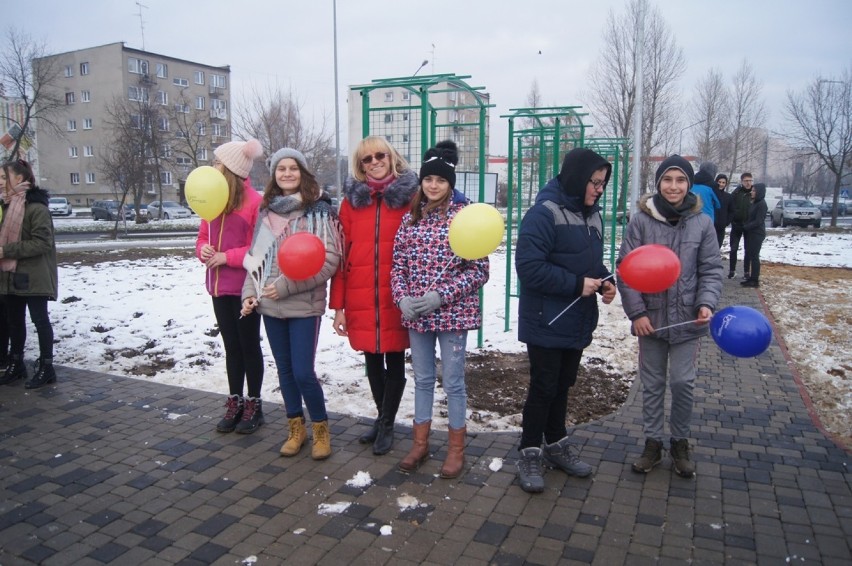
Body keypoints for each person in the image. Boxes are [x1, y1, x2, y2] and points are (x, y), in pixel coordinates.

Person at [514, 147, 617, 494]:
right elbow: (528, 268)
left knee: (563, 383)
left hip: (576, 318)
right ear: (577, 179)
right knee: (543, 386)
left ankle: (556, 443)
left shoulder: (594, 215)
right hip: (546, 319)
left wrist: (605, 280)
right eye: (595, 182)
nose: (599, 189)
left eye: (603, 184)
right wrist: (577, 284)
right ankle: (529, 451)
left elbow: (590, 263)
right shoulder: (543, 214)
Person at [616, 155, 723, 478]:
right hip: (650, 321)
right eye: (667, 180)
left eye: (680, 180)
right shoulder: (641, 222)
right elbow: (626, 270)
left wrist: (706, 303)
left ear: (688, 184)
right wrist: (637, 313)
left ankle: (679, 442)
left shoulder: (702, 222)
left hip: (688, 321)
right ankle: (652, 443)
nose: (673, 186)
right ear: (658, 183)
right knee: (652, 384)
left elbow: (711, 269)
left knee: (682, 382)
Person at [391, 140, 489, 479]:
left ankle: (456, 448)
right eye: (428, 179)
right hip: (416, 316)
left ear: (451, 185)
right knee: (422, 379)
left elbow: (479, 270)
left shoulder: (464, 219)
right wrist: (401, 298)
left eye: (441, 181)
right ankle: (420, 443)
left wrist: (440, 296)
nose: (433, 185)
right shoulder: (410, 221)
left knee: (454, 382)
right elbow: (397, 266)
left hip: (452, 316)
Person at [240, 148, 342, 460]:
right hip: (270, 306)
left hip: (303, 305)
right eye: (280, 169)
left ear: (303, 172)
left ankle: (320, 429)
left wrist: (282, 287)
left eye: (293, 168)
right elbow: (256, 260)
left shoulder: (321, 211)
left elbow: (329, 261)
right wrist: (249, 293)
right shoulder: (268, 211)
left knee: (302, 372)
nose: (286, 173)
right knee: (284, 370)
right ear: (273, 175)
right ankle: (295, 429)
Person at [329, 137, 419, 456]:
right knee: (371, 359)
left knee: (394, 359)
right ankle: (383, 419)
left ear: (391, 157)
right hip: (360, 293)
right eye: (367, 159)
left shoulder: (412, 197)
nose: (375, 161)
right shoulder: (351, 203)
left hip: (396, 294)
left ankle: (387, 424)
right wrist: (338, 306)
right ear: (360, 165)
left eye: (380, 155)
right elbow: (342, 255)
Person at [196, 138, 265, 434]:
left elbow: (259, 250)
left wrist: (227, 256)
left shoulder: (255, 202)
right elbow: (201, 237)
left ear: (231, 169)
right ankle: (235, 400)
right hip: (217, 288)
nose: (213, 167)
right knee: (231, 347)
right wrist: (204, 251)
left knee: (249, 346)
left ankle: (254, 404)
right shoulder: (212, 197)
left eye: (217, 163)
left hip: (246, 290)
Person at [0, 159, 58, 389]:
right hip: (11, 275)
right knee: (14, 323)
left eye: (5, 177)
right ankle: (17, 364)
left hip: (34, 277)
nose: (1, 182)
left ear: (21, 179)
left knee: (40, 321)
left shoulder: (36, 208)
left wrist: (6, 250)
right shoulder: (6, 207)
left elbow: (43, 243)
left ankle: (46, 367)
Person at [741, 182, 767, 288]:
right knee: (750, 254)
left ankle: (755, 279)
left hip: (757, 234)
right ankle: (751, 278)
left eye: (754, 190)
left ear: (759, 192)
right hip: (751, 233)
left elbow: (759, 221)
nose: (752, 192)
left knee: (754, 256)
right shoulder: (755, 202)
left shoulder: (761, 204)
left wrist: (746, 226)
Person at [728, 172, 754, 279]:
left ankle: (746, 272)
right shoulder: (736, 192)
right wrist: (732, 219)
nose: (748, 183)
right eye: (746, 181)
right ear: (742, 181)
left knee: (748, 250)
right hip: (736, 225)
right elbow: (731, 207)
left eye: (750, 181)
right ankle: (732, 270)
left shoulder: (754, 193)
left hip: (749, 225)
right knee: (733, 248)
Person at [712, 173, 733, 249]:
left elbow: (731, 211)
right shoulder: (711, 194)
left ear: (726, 184)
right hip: (710, 225)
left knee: (717, 247)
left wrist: (726, 222)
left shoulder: (728, 197)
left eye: (723, 182)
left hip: (721, 227)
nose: (721, 184)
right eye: (719, 182)